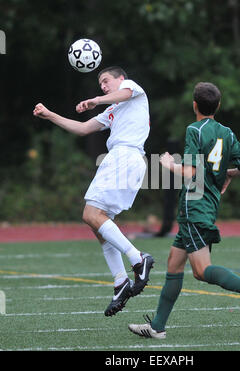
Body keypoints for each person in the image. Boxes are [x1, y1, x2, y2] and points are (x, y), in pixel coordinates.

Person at [128, 82, 240, 339]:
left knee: (202, 271)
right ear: (218, 106)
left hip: (194, 206)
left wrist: (169, 165)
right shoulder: (226, 133)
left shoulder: (194, 129)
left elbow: (192, 171)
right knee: (174, 263)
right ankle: (157, 327)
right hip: (206, 205)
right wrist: (227, 173)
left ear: (194, 105)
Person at [33, 66, 154, 316]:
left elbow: (122, 93)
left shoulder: (133, 89)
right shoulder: (113, 110)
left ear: (121, 79)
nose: (103, 86)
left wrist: (96, 100)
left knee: (90, 215)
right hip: (124, 159)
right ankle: (120, 281)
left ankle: (138, 259)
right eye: (100, 84)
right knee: (98, 222)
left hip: (124, 156)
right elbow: (83, 128)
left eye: (106, 80)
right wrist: (50, 115)